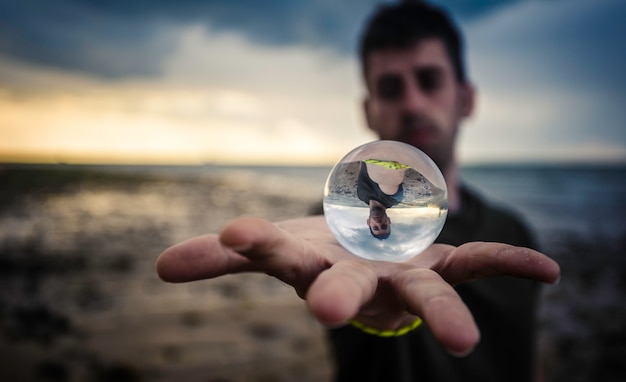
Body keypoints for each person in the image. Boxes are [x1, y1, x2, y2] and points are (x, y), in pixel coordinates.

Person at [156, 2, 560, 381]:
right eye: (390, 87)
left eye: (429, 80)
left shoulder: (513, 231)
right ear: (368, 112)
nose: (412, 103)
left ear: (466, 98)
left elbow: (523, 354)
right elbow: (359, 306)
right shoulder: (336, 229)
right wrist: (377, 314)